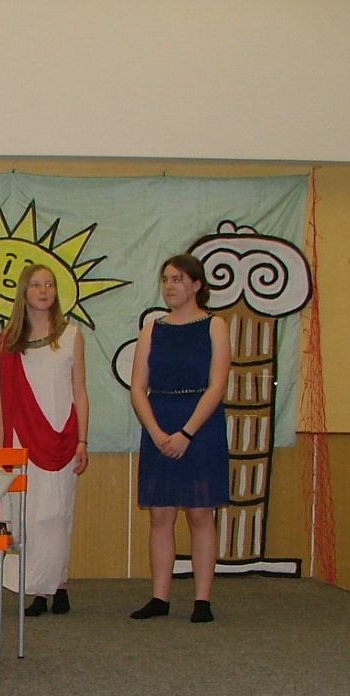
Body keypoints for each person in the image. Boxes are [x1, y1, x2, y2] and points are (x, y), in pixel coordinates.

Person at [129, 253, 230, 623]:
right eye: (166, 279)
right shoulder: (152, 329)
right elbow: (138, 388)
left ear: (196, 285)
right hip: (160, 421)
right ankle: (160, 597)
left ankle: (202, 600)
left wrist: (187, 432)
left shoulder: (215, 325)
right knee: (161, 513)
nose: (170, 286)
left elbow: (217, 385)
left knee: (201, 512)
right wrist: (158, 433)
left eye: (178, 279)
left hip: (201, 426)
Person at [0, 263, 89, 616]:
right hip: (23, 439)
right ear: (24, 292)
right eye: (36, 284)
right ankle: (36, 588)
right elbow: (4, 399)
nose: (44, 290)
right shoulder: (9, 341)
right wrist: (2, 451)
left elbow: (80, 391)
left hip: (62, 438)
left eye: (49, 284)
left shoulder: (71, 335)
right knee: (29, 516)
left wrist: (82, 440)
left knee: (57, 512)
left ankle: (59, 584)